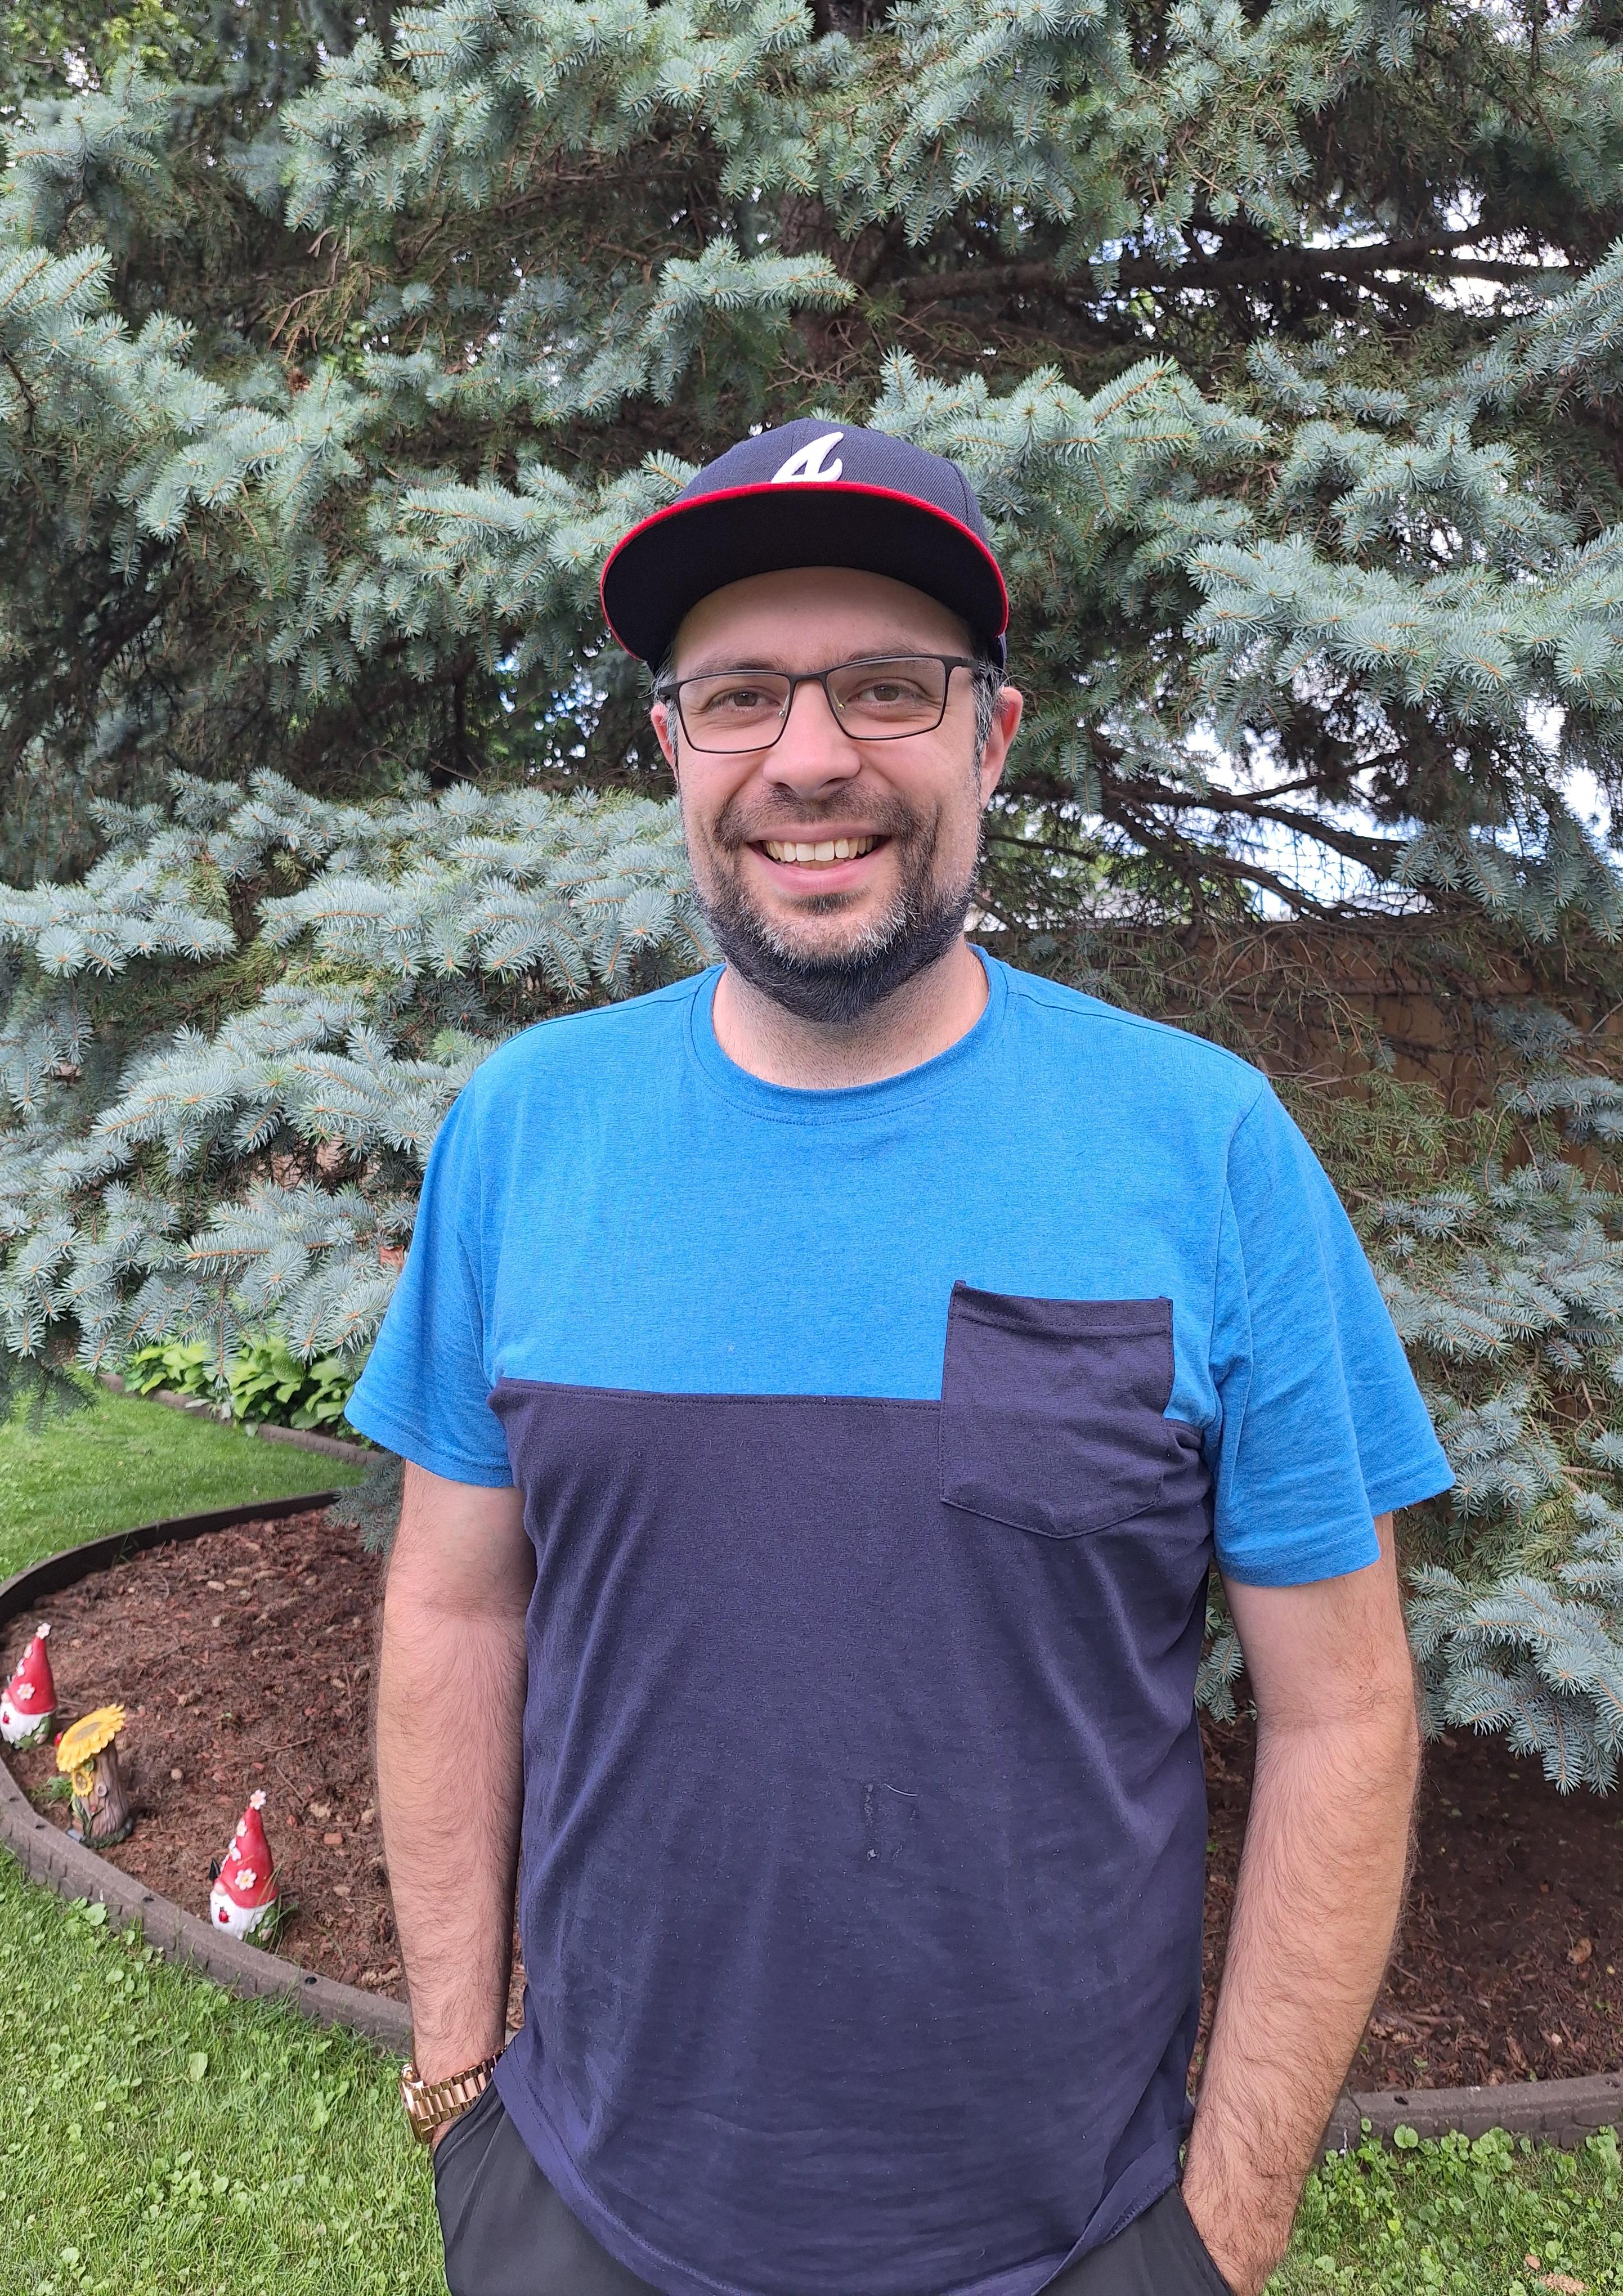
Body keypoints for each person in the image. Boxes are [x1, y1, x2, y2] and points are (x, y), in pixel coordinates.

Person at [347, 418, 1451, 2296]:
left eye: (883, 687)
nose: (807, 758)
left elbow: (1343, 1714)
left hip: (1070, 2243)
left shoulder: (1203, 1147)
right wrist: (460, 2086)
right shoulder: (527, 1130)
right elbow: (454, 1610)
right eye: (739, 696)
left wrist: (1225, 2225)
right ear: (672, 748)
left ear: (990, 737)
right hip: (582, 2220)